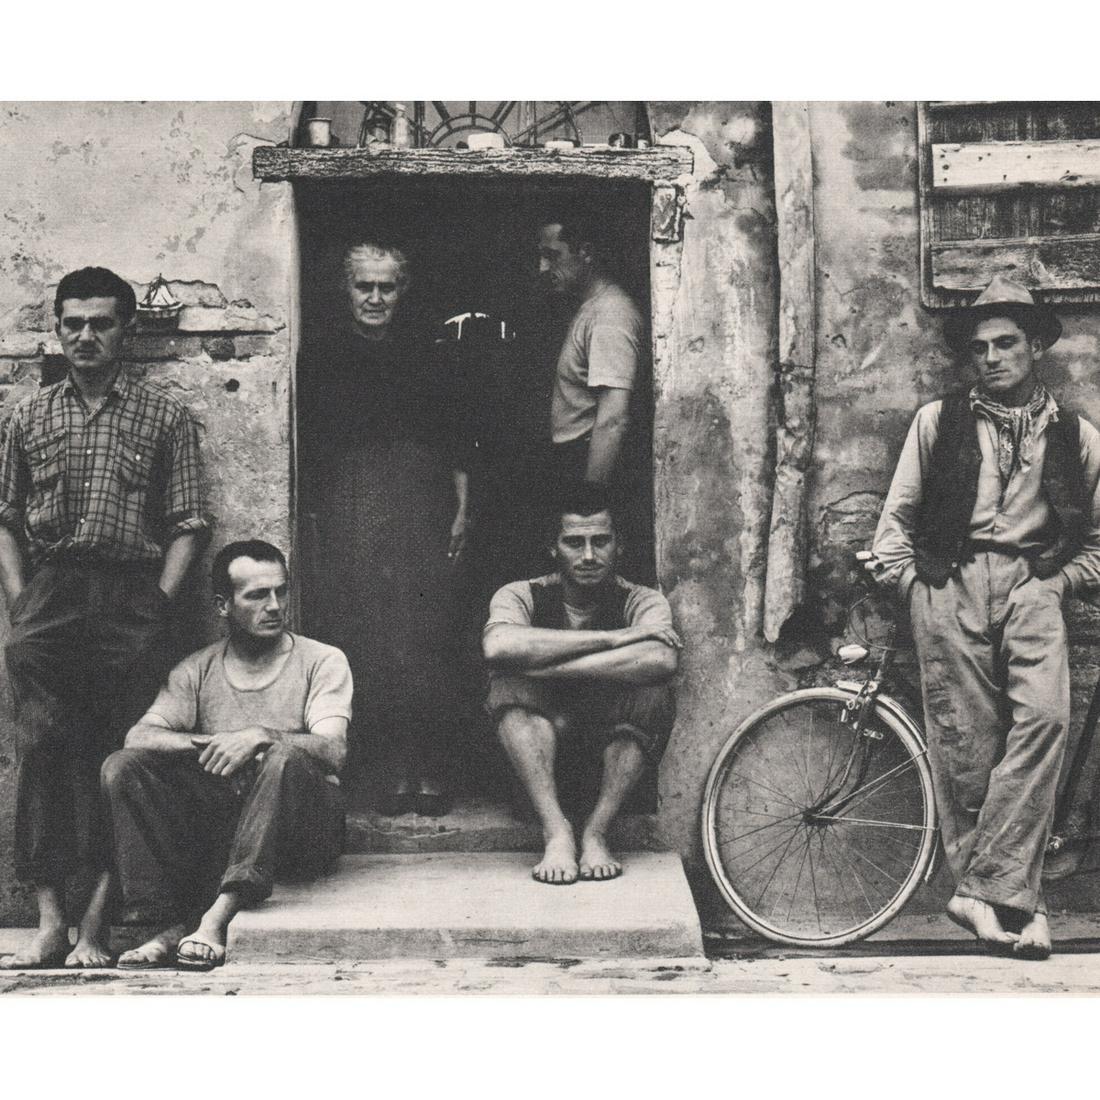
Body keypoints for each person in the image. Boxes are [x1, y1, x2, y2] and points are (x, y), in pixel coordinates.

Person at [860, 275, 1100, 960]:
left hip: (1035, 585)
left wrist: (1058, 584)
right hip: (950, 583)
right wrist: (916, 588)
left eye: (1006, 343)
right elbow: (894, 526)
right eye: (979, 348)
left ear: (1036, 347)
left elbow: (1098, 543)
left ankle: (985, 896)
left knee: (1045, 722)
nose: (992, 358)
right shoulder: (938, 423)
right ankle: (1020, 909)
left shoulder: (1076, 435)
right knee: (967, 745)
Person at [0, 267, 208, 970]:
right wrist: (22, 605)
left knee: (118, 758)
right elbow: (5, 518)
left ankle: (96, 926)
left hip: (129, 599)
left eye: (101, 323)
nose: (85, 336)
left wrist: (157, 607)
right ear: (58, 329)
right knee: (41, 751)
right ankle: (49, 922)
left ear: (128, 330)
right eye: (73, 323)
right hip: (51, 598)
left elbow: (188, 522)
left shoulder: (163, 416)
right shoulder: (29, 416)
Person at [100, 540, 351, 970]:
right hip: (227, 833)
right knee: (122, 767)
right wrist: (218, 743)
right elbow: (138, 736)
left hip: (306, 832)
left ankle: (217, 918)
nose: (274, 606)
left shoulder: (322, 660)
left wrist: (260, 736)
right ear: (222, 605)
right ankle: (163, 922)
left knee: (284, 756)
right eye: (257, 595)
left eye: (281, 591)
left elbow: (334, 749)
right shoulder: (197, 668)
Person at [299, 241, 471, 816]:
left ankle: (429, 765)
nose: (375, 298)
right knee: (367, 633)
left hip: (420, 500)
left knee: (425, 632)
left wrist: (462, 508)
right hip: (353, 502)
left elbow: (454, 435)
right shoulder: (322, 355)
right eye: (364, 286)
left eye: (386, 287)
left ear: (403, 291)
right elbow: (313, 448)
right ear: (345, 290)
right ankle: (385, 769)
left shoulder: (429, 352)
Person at [482, 481, 679, 884]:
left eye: (600, 541)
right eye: (574, 542)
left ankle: (596, 833)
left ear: (619, 546)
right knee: (508, 688)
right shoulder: (522, 594)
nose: (589, 555)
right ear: (553, 548)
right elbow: (499, 646)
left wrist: (547, 666)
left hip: (611, 768)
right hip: (537, 769)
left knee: (654, 694)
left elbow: (660, 658)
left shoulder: (642, 600)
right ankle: (556, 831)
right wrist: (612, 639)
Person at [537, 214, 644, 488]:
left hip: (587, 463)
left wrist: (592, 497)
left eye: (552, 256)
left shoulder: (610, 315)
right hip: (574, 459)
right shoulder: (591, 308)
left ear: (585, 252)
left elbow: (613, 420)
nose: (542, 267)